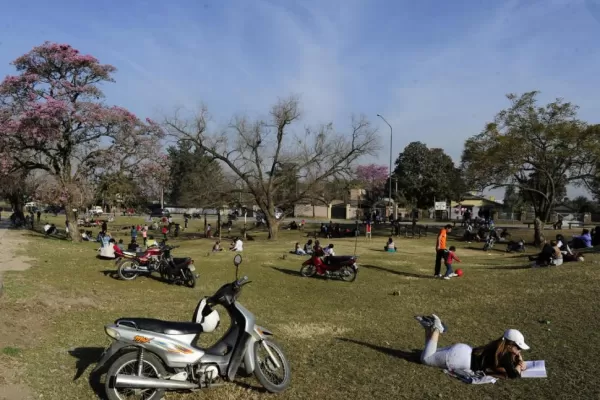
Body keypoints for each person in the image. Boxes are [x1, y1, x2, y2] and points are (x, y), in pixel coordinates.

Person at [415, 314, 529, 379]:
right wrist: (519, 364)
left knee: (428, 352)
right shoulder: (505, 354)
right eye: (518, 348)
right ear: (510, 345)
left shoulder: (498, 345)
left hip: (464, 350)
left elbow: (503, 365)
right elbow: (514, 375)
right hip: (460, 359)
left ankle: (428, 327)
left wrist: (518, 359)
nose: (519, 351)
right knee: (426, 359)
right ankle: (436, 329)